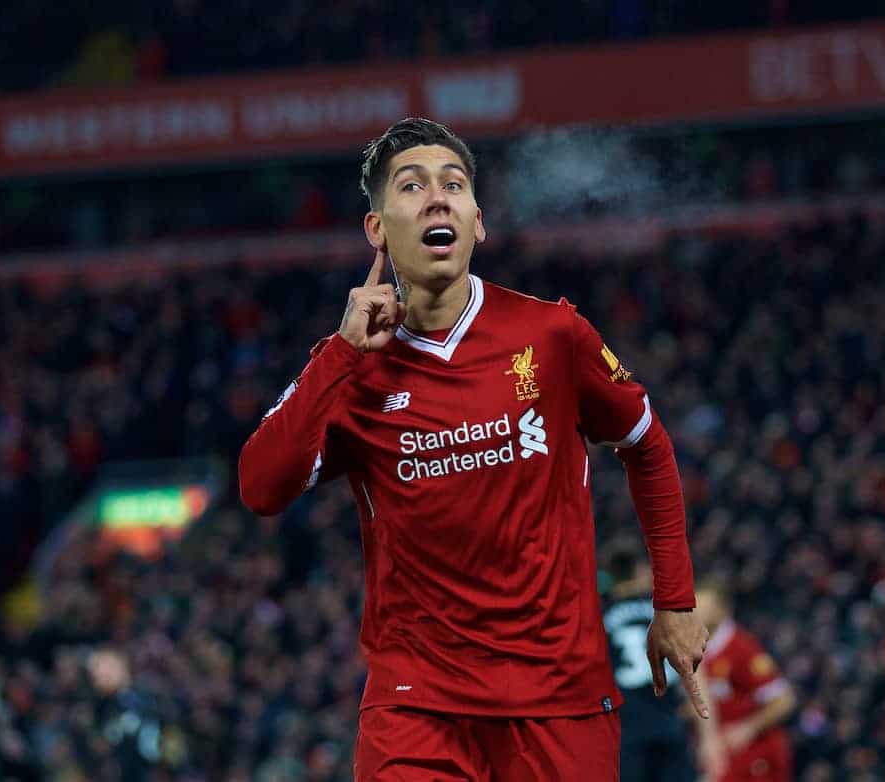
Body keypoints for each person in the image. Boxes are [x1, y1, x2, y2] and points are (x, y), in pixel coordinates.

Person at [239, 117, 709, 781]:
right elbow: (260, 487)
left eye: (453, 185)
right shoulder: (351, 368)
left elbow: (648, 445)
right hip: (419, 707)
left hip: (560, 701)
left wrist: (676, 602)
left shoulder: (551, 334)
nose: (437, 198)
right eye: (412, 186)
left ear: (477, 222)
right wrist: (339, 354)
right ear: (377, 229)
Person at [603, 540, 718, 782]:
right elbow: (696, 671)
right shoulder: (666, 611)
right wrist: (709, 736)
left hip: (625, 734)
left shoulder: (599, 614)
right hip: (669, 728)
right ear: (641, 570)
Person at [696, 581, 796, 782]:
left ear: (721, 610)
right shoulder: (697, 649)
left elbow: (784, 701)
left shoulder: (742, 649)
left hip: (756, 755)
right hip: (723, 756)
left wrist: (748, 728)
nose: (692, 612)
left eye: (700, 606)